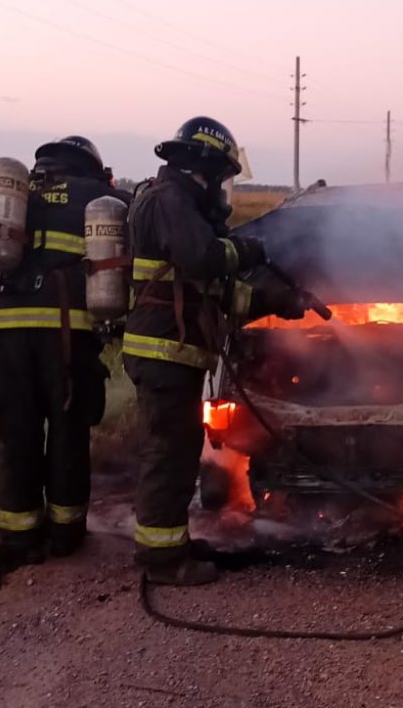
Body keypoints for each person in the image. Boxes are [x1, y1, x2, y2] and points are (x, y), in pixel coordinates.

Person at [123, 116, 307, 586]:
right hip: (164, 350)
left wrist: (276, 302)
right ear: (201, 165)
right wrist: (248, 250)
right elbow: (204, 258)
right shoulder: (171, 199)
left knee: (180, 452)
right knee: (167, 454)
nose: (223, 190)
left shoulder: (176, 202)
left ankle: (173, 544)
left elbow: (216, 293)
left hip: (172, 351)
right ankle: (163, 562)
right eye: (223, 177)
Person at [0, 136, 133, 566]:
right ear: (92, 165)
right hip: (67, 334)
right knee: (68, 432)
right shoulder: (102, 198)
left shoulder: (11, 197)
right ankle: (65, 534)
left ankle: (19, 540)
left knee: (14, 433)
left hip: (4, 332)